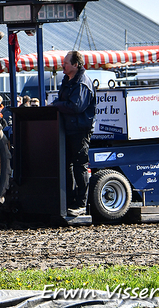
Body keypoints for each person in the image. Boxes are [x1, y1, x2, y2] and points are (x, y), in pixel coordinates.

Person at [52, 50, 96, 217]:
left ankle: (81, 204)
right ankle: (69, 200)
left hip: (80, 130)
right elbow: (67, 103)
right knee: (68, 165)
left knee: (79, 166)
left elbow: (76, 106)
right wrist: (59, 104)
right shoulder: (68, 80)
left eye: (66, 63)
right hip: (68, 129)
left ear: (75, 65)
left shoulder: (82, 83)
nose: (63, 65)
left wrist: (57, 105)